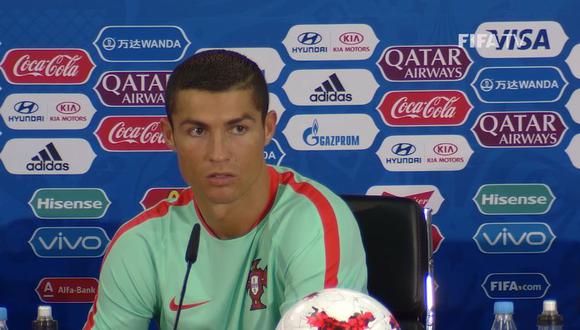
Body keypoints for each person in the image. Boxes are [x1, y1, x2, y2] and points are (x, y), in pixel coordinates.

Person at [83, 49, 367, 329]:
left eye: (238, 129)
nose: (218, 154)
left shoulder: (315, 222)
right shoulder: (141, 242)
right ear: (169, 135)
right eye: (197, 131)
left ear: (268, 129)